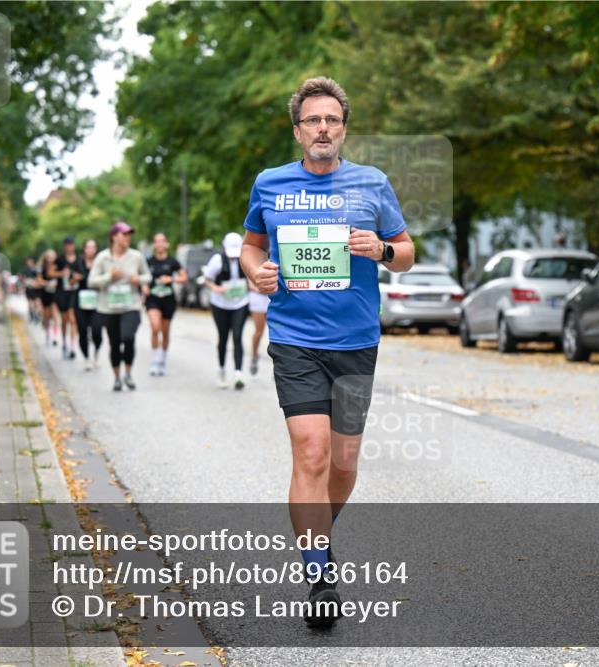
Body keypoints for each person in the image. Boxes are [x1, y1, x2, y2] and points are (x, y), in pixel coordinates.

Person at [239, 77, 415, 627]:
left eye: (332, 121)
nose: (323, 129)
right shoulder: (269, 184)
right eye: (313, 121)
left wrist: (383, 249)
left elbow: (407, 252)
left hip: (357, 341)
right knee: (311, 454)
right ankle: (318, 571)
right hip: (294, 339)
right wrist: (256, 274)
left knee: (343, 461)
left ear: (343, 129)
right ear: (298, 131)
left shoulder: (372, 184)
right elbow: (251, 247)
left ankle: (316, 530)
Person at [87, 222, 150, 391]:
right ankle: (117, 377)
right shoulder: (102, 257)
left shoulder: (136, 256)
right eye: (124, 234)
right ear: (114, 236)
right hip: (108, 307)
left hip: (131, 305)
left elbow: (148, 276)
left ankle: (128, 374)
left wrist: (139, 280)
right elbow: (91, 281)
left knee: (128, 338)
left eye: (129, 235)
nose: (128, 238)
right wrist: (109, 276)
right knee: (114, 343)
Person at [203, 232, 250, 390]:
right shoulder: (217, 260)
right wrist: (215, 288)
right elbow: (206, 279)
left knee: (237, 336)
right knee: (223, 337)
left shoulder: (245, 258)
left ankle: (238, 374)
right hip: (220, 304)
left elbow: (251, 277)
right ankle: (221, 369)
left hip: (240, 302)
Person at [144, 232, 187, 376]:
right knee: (155, 327)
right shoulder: (148, 261)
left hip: (168, 300)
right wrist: (143, 286)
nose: (159, 244)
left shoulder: (172, 261)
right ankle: (154, 360)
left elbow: (184, 278)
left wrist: (171, 279)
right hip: (153, 299)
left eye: (162, 241)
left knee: (165, 332)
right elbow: (141, 277)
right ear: (154, 245)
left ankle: (162, 359)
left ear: (167, 244)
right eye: (157, 241)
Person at [74, 239, 103, 371]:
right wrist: (75, 279)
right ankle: (86, 358)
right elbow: (69, 282)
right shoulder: (77, 263)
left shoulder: (101, 262)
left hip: (97, 301)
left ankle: (96, 352)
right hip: (81, 301)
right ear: (84, 249)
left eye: (93, 247)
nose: (90, 250)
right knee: (82, 331)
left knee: (97, 330)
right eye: (88, 247)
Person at [54, 236, 80, 360]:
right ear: (64, 246)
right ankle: (64, 342)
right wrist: (61, 273)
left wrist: (77, 276)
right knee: (64, 320)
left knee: (72, 319)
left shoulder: (79, 259)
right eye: (67, 244)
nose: (69, 246)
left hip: (75, 293)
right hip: (62, 292)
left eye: (71, 244)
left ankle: (73, 347)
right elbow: (50, 272)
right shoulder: (59, 259)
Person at [247, 277, 270, 375]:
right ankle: (254, 355)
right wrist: (259, 289)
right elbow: (249, 280)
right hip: (258, 297)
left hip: (273, 297)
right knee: (259, 331)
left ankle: (278, 363)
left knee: (277, 330)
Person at [38, 248, 59, 345]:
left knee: (55, 315)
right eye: (49, 256)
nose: (51, 258)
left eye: (53, 256)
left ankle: (55, 336)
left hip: (55, 294)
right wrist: (48, 283)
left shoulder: (58, 266)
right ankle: (47, 334)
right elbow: (39, 281)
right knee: (46, 316)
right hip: (45, 294)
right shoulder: (42, 268)